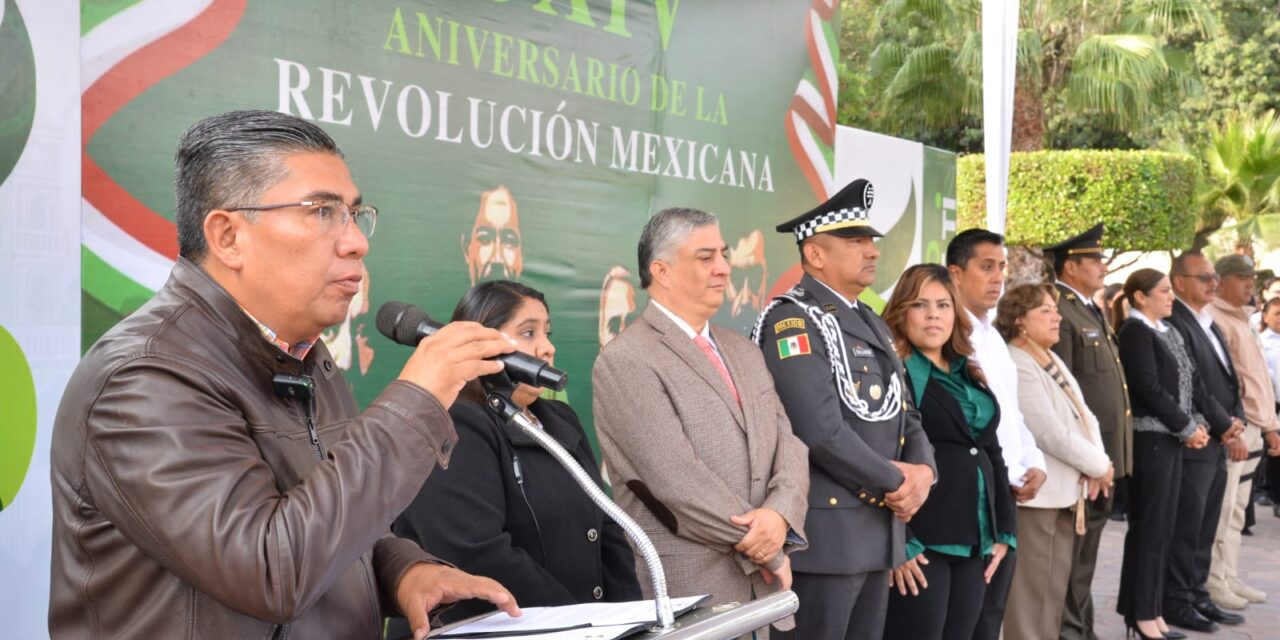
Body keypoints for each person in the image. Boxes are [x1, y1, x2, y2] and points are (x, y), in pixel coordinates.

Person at [48, 111, 521, 640]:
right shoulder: (145, 376)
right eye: (322, 211)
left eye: (353, 212)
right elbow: (269, 570)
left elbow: (327, 515)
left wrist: (402, 570)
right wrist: (416, 399)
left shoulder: (304, 356)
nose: (355, 242)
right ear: (228, 236)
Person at [592, 207, 810, 636]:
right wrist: (767, 550)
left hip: (761, 599)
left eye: (723, 255)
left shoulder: (744, 351)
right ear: (662, 271)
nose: (724, 268)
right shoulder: (626, 360)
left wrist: (780, 516)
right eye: (705, 257)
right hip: (692, 593)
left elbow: (789, 443)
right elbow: (674, 481)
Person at [389, 281, 642, 636]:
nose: (547, 347)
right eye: (528, 333)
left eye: (547, 332)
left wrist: (626, 618)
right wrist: (580, 623)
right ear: (481, 344)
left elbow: (607, 527)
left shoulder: (558, 419)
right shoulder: (454, 422)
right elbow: (477, 553)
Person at [755, 179, 936, 640]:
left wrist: (924, 473)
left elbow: (905, 412)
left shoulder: (868, 318)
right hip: (827, 540)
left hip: (876, 536)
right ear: (815, 255)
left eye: (871, 241)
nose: (872, 251)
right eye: (855, 242)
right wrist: (899, 482)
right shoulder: (791, 320)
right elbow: (818, 431)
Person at [880, 264, 1015, 640]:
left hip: (976, 538)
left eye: (943, 305)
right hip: (922, 540)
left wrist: (1005, 528)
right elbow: (878, 460)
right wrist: (899, 542)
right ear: (901, 312)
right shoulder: (894, 373)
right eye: (920, 305)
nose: (933, 314)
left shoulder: (967, 371)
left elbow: (992, 450)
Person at [943, 229, 1047, 640]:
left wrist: (1033, 462)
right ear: (955, 273)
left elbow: (1010, 415)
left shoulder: (993, 339)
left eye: (1001, 267)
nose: (998, 277)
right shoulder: (948, 335)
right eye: (986, 267)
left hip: (1007, 493)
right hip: (971, 495)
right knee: (964, 621)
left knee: (990, 615)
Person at [995, 283, 1113, 640]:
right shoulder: (1018, 360)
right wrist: (1099, 467)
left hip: (1064, 494)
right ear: (1019, 321)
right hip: (1039, 499)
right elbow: (1049, 432)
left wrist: (1100, 462)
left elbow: (1084, 416)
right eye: (1045, 310)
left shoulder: (1047, 356)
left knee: (1052, 592)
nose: (1057, 316)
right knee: (1030, 598)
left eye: (1055, 309)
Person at [1043, 224, 1133, 640]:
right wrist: (1087, 459)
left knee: (1086, 559)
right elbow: (1063, 394)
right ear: (1071, 266)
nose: (1102, 266)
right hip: (1085, 462)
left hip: (1103, 458)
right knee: (1074, 559)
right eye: (1094, 259)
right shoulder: (1059, 309)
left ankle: (1081, 629)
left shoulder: (1087, 307)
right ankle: (1070, 633)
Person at [1113, 268, 1211, 640]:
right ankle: (1139, 613)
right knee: (1149, 528)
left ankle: (1151, 611)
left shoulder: (1167, 330)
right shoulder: (1135, 332)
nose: (1171, 297)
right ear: (1140, 297)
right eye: (1164, 291)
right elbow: (1148, 388)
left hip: (1172, 438)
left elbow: (1189, 383)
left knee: (1164, 529)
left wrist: (1197, 424)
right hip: (1150, 439)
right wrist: (1187, 427)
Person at [1164, 252, 1246, 631]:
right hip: (1194, 439)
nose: (1213, 283)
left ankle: (1198, 594)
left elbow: (1229, 377)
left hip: (1217, 437)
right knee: (1187, 525)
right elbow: (1192, 383)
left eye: (1214, 276)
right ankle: (1177, 600)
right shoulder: (1175, 320)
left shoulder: (1207, 320)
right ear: (1180, 282)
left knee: (1207, 522)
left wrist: (1237, 418)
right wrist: (1222, 422)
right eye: (1204, 277)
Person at [1205, 255, 1280, 609]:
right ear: (1219, 281)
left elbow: (1258, 377)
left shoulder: (1243, 319)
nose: (1249, 284)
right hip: (1236, 426)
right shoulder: (1217, 319)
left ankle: (1228, 575)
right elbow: (1229, 383)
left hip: (1254, 426)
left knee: (1237, 508)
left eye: (1251, 278)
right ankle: (1214, 580)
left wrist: (1270, 426)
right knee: (1224, 506)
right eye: (1241, 278)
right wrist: (1240, 427)